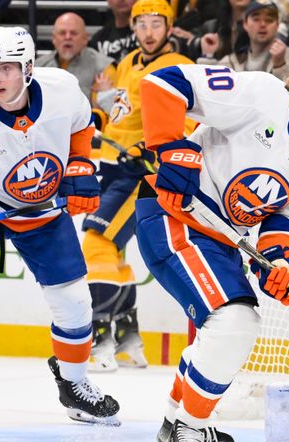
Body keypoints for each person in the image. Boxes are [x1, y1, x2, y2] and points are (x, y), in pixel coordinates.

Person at [136, 41, 289, 442]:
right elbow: (165, 82)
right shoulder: (259, 95)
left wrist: (281, 262)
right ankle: (190, 427)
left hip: (220, 239)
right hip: (172, 215)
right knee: (235, 321)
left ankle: (172, 423)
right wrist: (172, 148)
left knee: (224, 329)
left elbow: (286, 220)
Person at [0, 27, 120, 425]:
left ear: (27, 69)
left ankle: (74, 383)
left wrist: (80, 165)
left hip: (40, 204)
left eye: (6, 68)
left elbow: (81, 124)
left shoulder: (61, 89)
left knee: (75, 300)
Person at [84, 0, 194, 373]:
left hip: (142, 174)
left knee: (96, 243)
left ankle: (100, 339)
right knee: (112, 252)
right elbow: (120, 113)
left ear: (170, 27)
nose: (148, 32)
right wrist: (97, 121)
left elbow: (190, 120)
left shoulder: (179, 66)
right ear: (132, 28)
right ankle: (129, 342)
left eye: (155, 24)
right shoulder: (127, 63)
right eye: (141, 24)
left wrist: (151, 149)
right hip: (112, 168)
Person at [209, 0, 289, 81]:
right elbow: (209, 85)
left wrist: (280, 66)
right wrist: (208, 55)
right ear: (245, 24)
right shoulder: (230, 62)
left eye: (269, 20)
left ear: (277, 25)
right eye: (256, 19)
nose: (262, 24)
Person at [36, 12, 116, 108]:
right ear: (53, 38)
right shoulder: (38, 67)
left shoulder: (103, 67)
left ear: (85, 38)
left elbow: (113, 109)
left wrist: (104, 97)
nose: (67, 37)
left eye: (73, 33)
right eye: (62, 33)